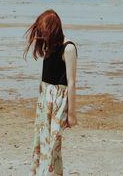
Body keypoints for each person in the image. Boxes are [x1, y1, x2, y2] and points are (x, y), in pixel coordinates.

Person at [24, 9, 78, 176]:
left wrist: (72, 114)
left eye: (44, 31)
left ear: (53, 29)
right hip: (45, 97)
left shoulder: (68, 48)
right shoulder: (50, 46)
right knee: (41, 141)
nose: (42, 35)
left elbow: (72, 82)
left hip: (59, 101)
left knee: (53, 143)